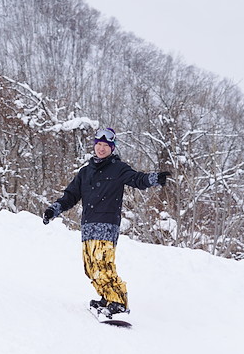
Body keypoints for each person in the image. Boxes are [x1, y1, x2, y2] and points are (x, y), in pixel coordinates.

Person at [42, 127, 170, 319]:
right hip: (88, 225)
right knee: (90, 267)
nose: (101, 149)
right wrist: (54, 209)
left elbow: (137, 179)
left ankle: (118, 302)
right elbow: (70, 196)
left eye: (106, 146)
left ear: (112, 148)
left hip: (107, 224)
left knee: (103, 264)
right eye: (99, 145)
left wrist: (154, 179)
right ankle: (106, 297)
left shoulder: (118, 169)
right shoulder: (85, 173)